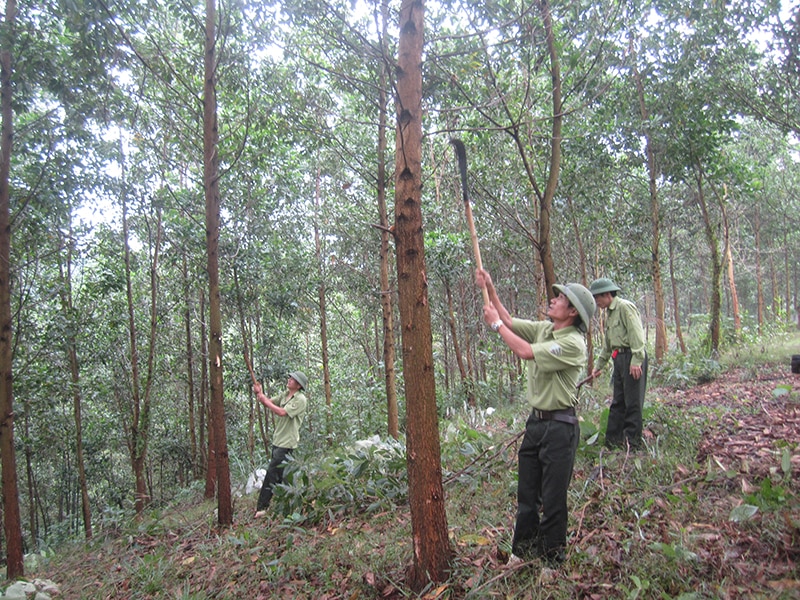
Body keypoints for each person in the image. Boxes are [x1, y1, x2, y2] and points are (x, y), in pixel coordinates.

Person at [476, 268, 595, 566]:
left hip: (560, 427)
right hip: (536, 424)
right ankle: (523, 551)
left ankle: (552, 562)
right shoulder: (546, 328)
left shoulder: (572, 343)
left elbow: (525, 351)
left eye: (561, 298)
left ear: (572, 312)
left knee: (553, 500)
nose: (554, 299)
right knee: (527, 495)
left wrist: (495, 327)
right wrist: (490, 287)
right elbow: (510, 319)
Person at [589, 277, 648, 450]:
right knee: (618, 402)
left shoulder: (624, 307)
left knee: (633, 402)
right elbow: (608, 344)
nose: (596, 302)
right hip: (619, 359)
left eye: (597, 297)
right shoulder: (610, 313)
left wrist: (637, 360)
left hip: (632, 357)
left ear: (607, 294)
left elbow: (636, 334)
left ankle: (632, 444)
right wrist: (599, 366)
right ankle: (613, 443)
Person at [253, 370, 308, 517]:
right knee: (283, 475)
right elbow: (269, 402)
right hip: (278, 440)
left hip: (287, 443)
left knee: (271, 473)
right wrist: (260, 394)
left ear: (298, 385)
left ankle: (262, 507)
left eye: (293, 379)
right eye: (290, 377)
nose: (289, 380)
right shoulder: (285, 395)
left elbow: (282, 412)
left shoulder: (300, 399)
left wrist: (264, 400)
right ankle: (293, 503)